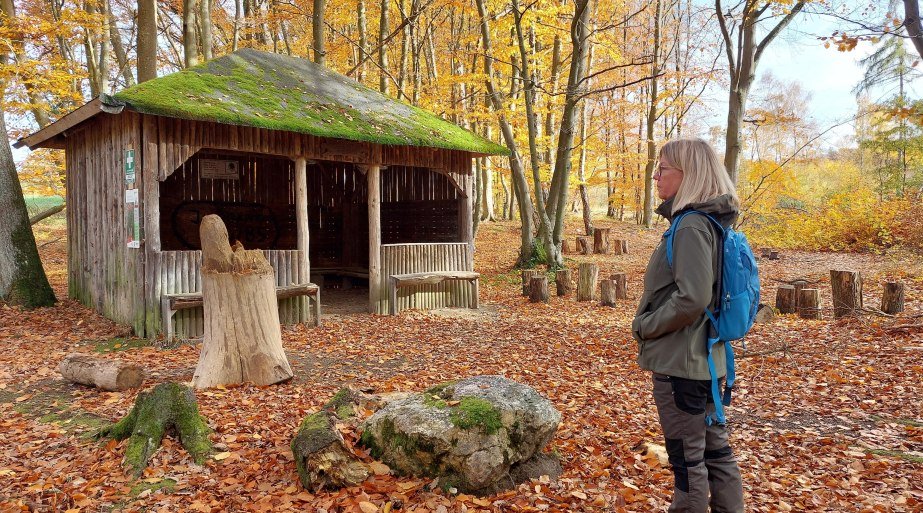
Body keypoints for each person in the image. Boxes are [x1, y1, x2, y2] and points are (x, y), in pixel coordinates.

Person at [631, 138, 744, 512]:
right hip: (703, 362)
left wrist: (646, 325)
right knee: (716, 452)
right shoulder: (707, 221)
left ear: (688, 174)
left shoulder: (692, 225)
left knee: (687, 462)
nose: (655, 177)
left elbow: (692, 297)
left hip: (683, 365)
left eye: (663, 169)